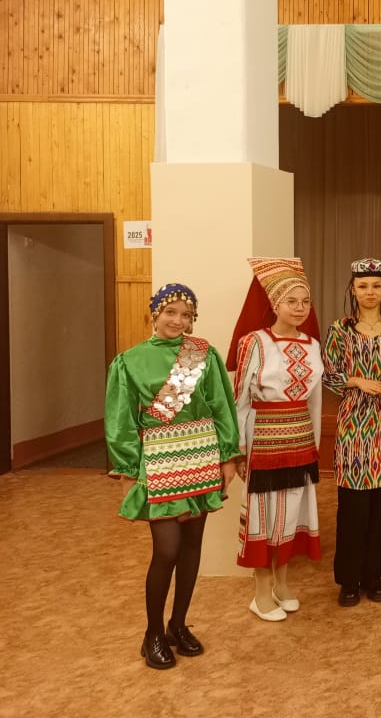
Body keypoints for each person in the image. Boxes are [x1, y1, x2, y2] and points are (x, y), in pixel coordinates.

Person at [104, 283, 242, 669]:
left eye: (186, 315)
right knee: (166, 550)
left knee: (192, 546)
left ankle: (177, 625)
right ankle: (152, 634)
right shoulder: (129, 362)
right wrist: (128, 470)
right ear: (155, 314)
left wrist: (228, 456)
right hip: (160, 461)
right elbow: (121, 420)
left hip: (201, 454)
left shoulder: (203, 354)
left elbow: (221, 406)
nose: (178, 321)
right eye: (171, 313)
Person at [229, 257, 324, 622]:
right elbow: (240, 398)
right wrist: (238, 450)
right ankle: (260, 592)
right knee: (263, 515)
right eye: (291, 301)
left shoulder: (312, 345)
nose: (299, 308)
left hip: (299, 440)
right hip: (264, 440)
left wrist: (314, 444)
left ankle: (283, 584)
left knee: (291, 513)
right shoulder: (255, 342)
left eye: (305, 301)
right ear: (275, 304)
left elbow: (314, 400)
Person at [322, 258, 381, 607]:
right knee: (353, 508)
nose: (370, 292)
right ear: (353, 290)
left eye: (376, 286)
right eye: (363, 286)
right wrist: (357, 380)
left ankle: (375, 575)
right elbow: (329, 375)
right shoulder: (340, 330)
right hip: (354, 427)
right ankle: (349, 578)